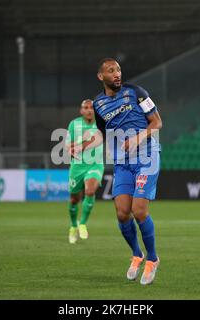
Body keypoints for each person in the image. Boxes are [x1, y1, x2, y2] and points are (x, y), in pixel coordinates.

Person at [92, 58, 163, 285]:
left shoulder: (137, 92)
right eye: (111, 71)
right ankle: (137, 254)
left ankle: (152, 259)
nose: (117, 74)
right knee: (123, 213)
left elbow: (157, 122)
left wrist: (138, 137)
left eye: (119, 70)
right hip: (122, 161)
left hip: (147, 156)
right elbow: (103, 134)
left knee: (139, 210)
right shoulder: (98, 104)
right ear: (101, 77)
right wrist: (81, 146)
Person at [66, 99, 104, 244]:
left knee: (90, 191)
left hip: (95, 164)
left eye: (92, 108)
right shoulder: (73, 124)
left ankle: (82, 223)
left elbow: (100, 139)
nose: (89, 110)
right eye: (86, 108)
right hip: (77, 166)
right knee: (74, 199)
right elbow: (69, 145)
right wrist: (71, 149)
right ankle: (73, 226)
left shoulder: (101, 124)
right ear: (81, 111)